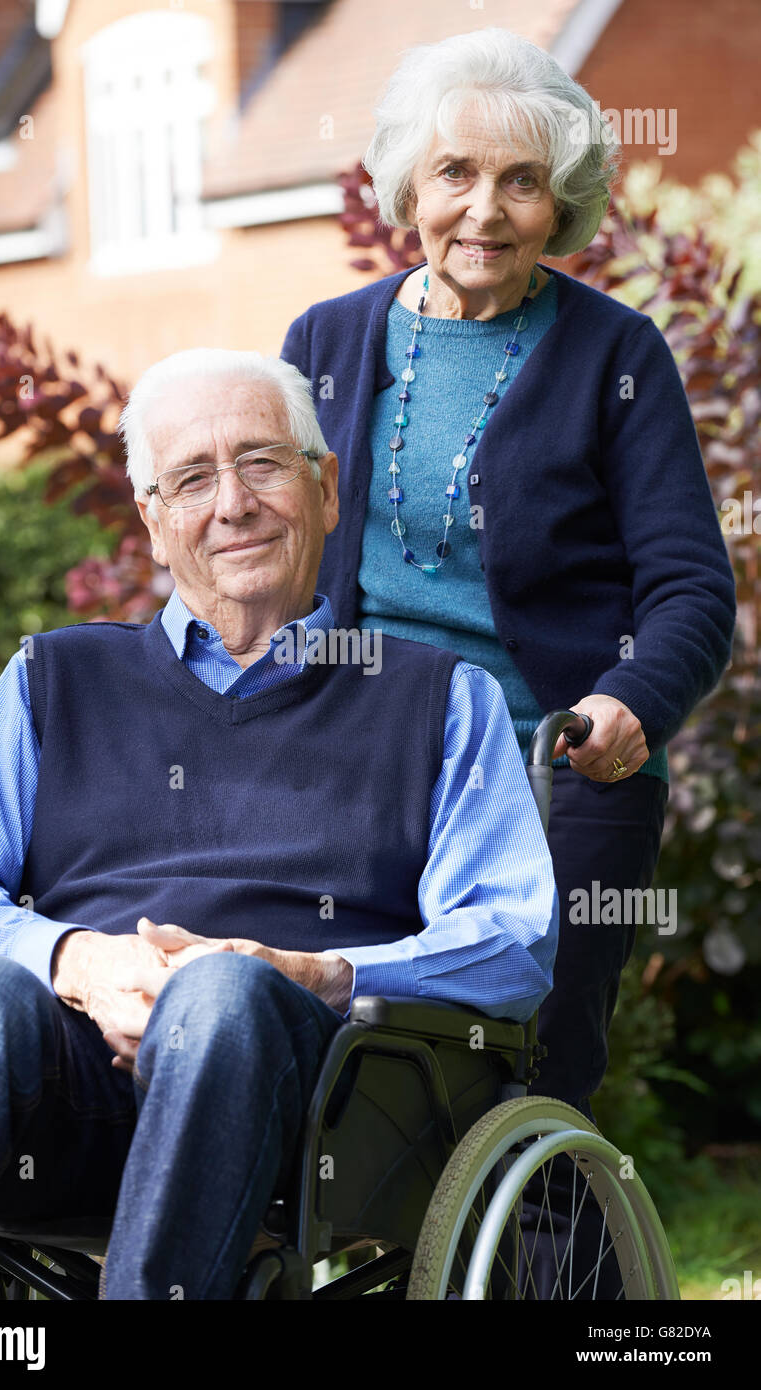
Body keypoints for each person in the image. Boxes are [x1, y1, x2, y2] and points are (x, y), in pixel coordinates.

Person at [0, 348, 558, 1300]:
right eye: (192, 479)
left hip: (315, 1108)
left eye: (262, 463)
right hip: (63, 1099)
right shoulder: (53, 680)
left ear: (326, 491)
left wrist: (318, 972)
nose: (232, 504)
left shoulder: (438, 699)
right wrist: (79, 962)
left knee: (217, 997)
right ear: (155, 525)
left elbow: (511, 938)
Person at [280, 27, 736, 1123]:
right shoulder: (325, 340)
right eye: (457, 173)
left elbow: (691, 589)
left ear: (561, 200)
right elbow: (267, 557)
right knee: (320, 1052)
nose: (485, 209)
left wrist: (630, 699)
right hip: (360, 760)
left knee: (520, 1081)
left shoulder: (616, 356)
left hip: (554, 767)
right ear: (409, 186)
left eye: (522, 181)